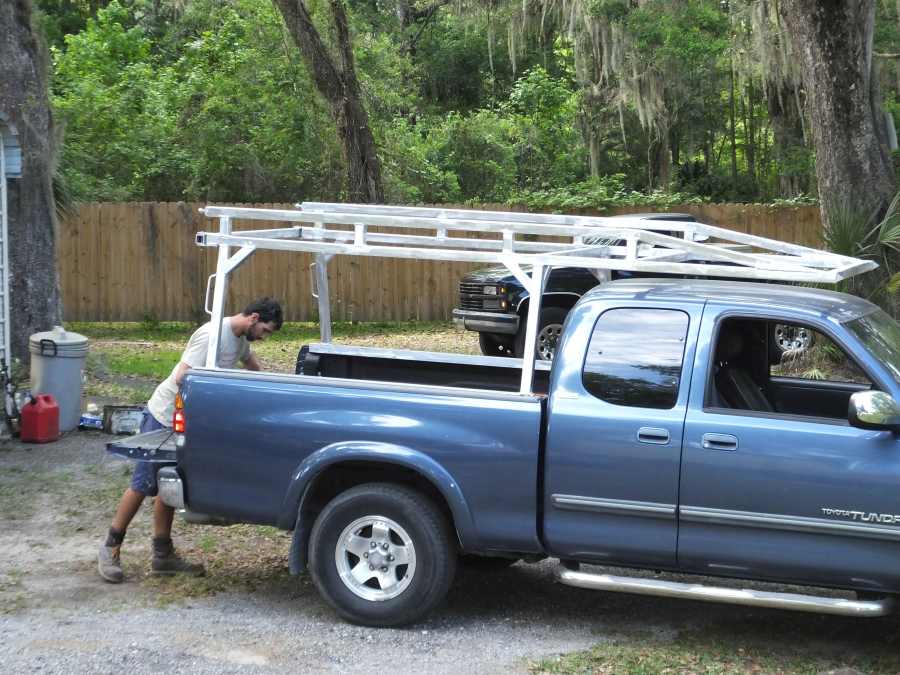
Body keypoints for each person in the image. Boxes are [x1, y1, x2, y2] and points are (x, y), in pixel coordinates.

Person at [97, 297, 284, 583]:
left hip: (189, 420)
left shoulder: (240, 338)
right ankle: (110, 547)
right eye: (265, 330)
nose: (264, 337)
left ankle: (162, 556)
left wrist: (272, 391)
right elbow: (183, 375)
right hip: (165, 415)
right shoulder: (211, 335)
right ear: (254, 318)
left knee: (169, 485)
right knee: (143, 484)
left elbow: (250, 363)